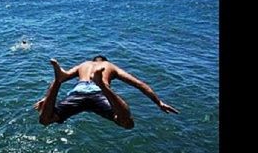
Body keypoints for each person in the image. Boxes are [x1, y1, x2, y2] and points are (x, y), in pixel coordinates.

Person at [34, 55, 178, 129]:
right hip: (98, 92)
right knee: (127, 123)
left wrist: (47, 98)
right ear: (104, 61)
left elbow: (62, 78)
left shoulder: (83, 65)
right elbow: (139, 84)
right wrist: (158, 102)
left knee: (45, 120)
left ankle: (59, 83)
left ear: (93, 60)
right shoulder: (108, 66)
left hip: (78, 91)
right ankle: (103, 85)